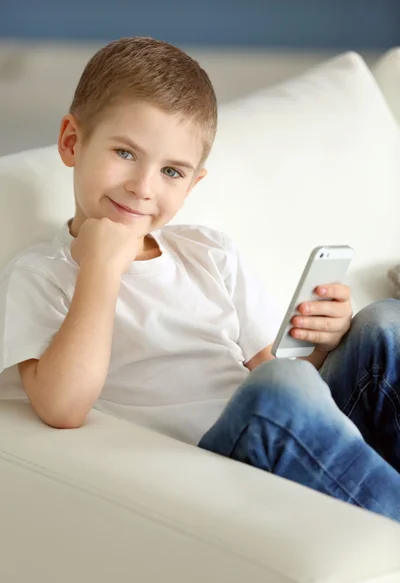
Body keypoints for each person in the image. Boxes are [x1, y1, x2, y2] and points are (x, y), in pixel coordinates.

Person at [0, 37, 399, 522]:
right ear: (71, 141)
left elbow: (275, 365)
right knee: (278, 391)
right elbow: (62, 407)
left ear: (193, 185)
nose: (143, 187)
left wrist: (323, 340)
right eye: (125, 153)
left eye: (171, 171)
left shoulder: (208, 252)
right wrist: (101, 270)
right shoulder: (43, 274)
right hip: (218, 463)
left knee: (382, 324)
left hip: (287, 436)